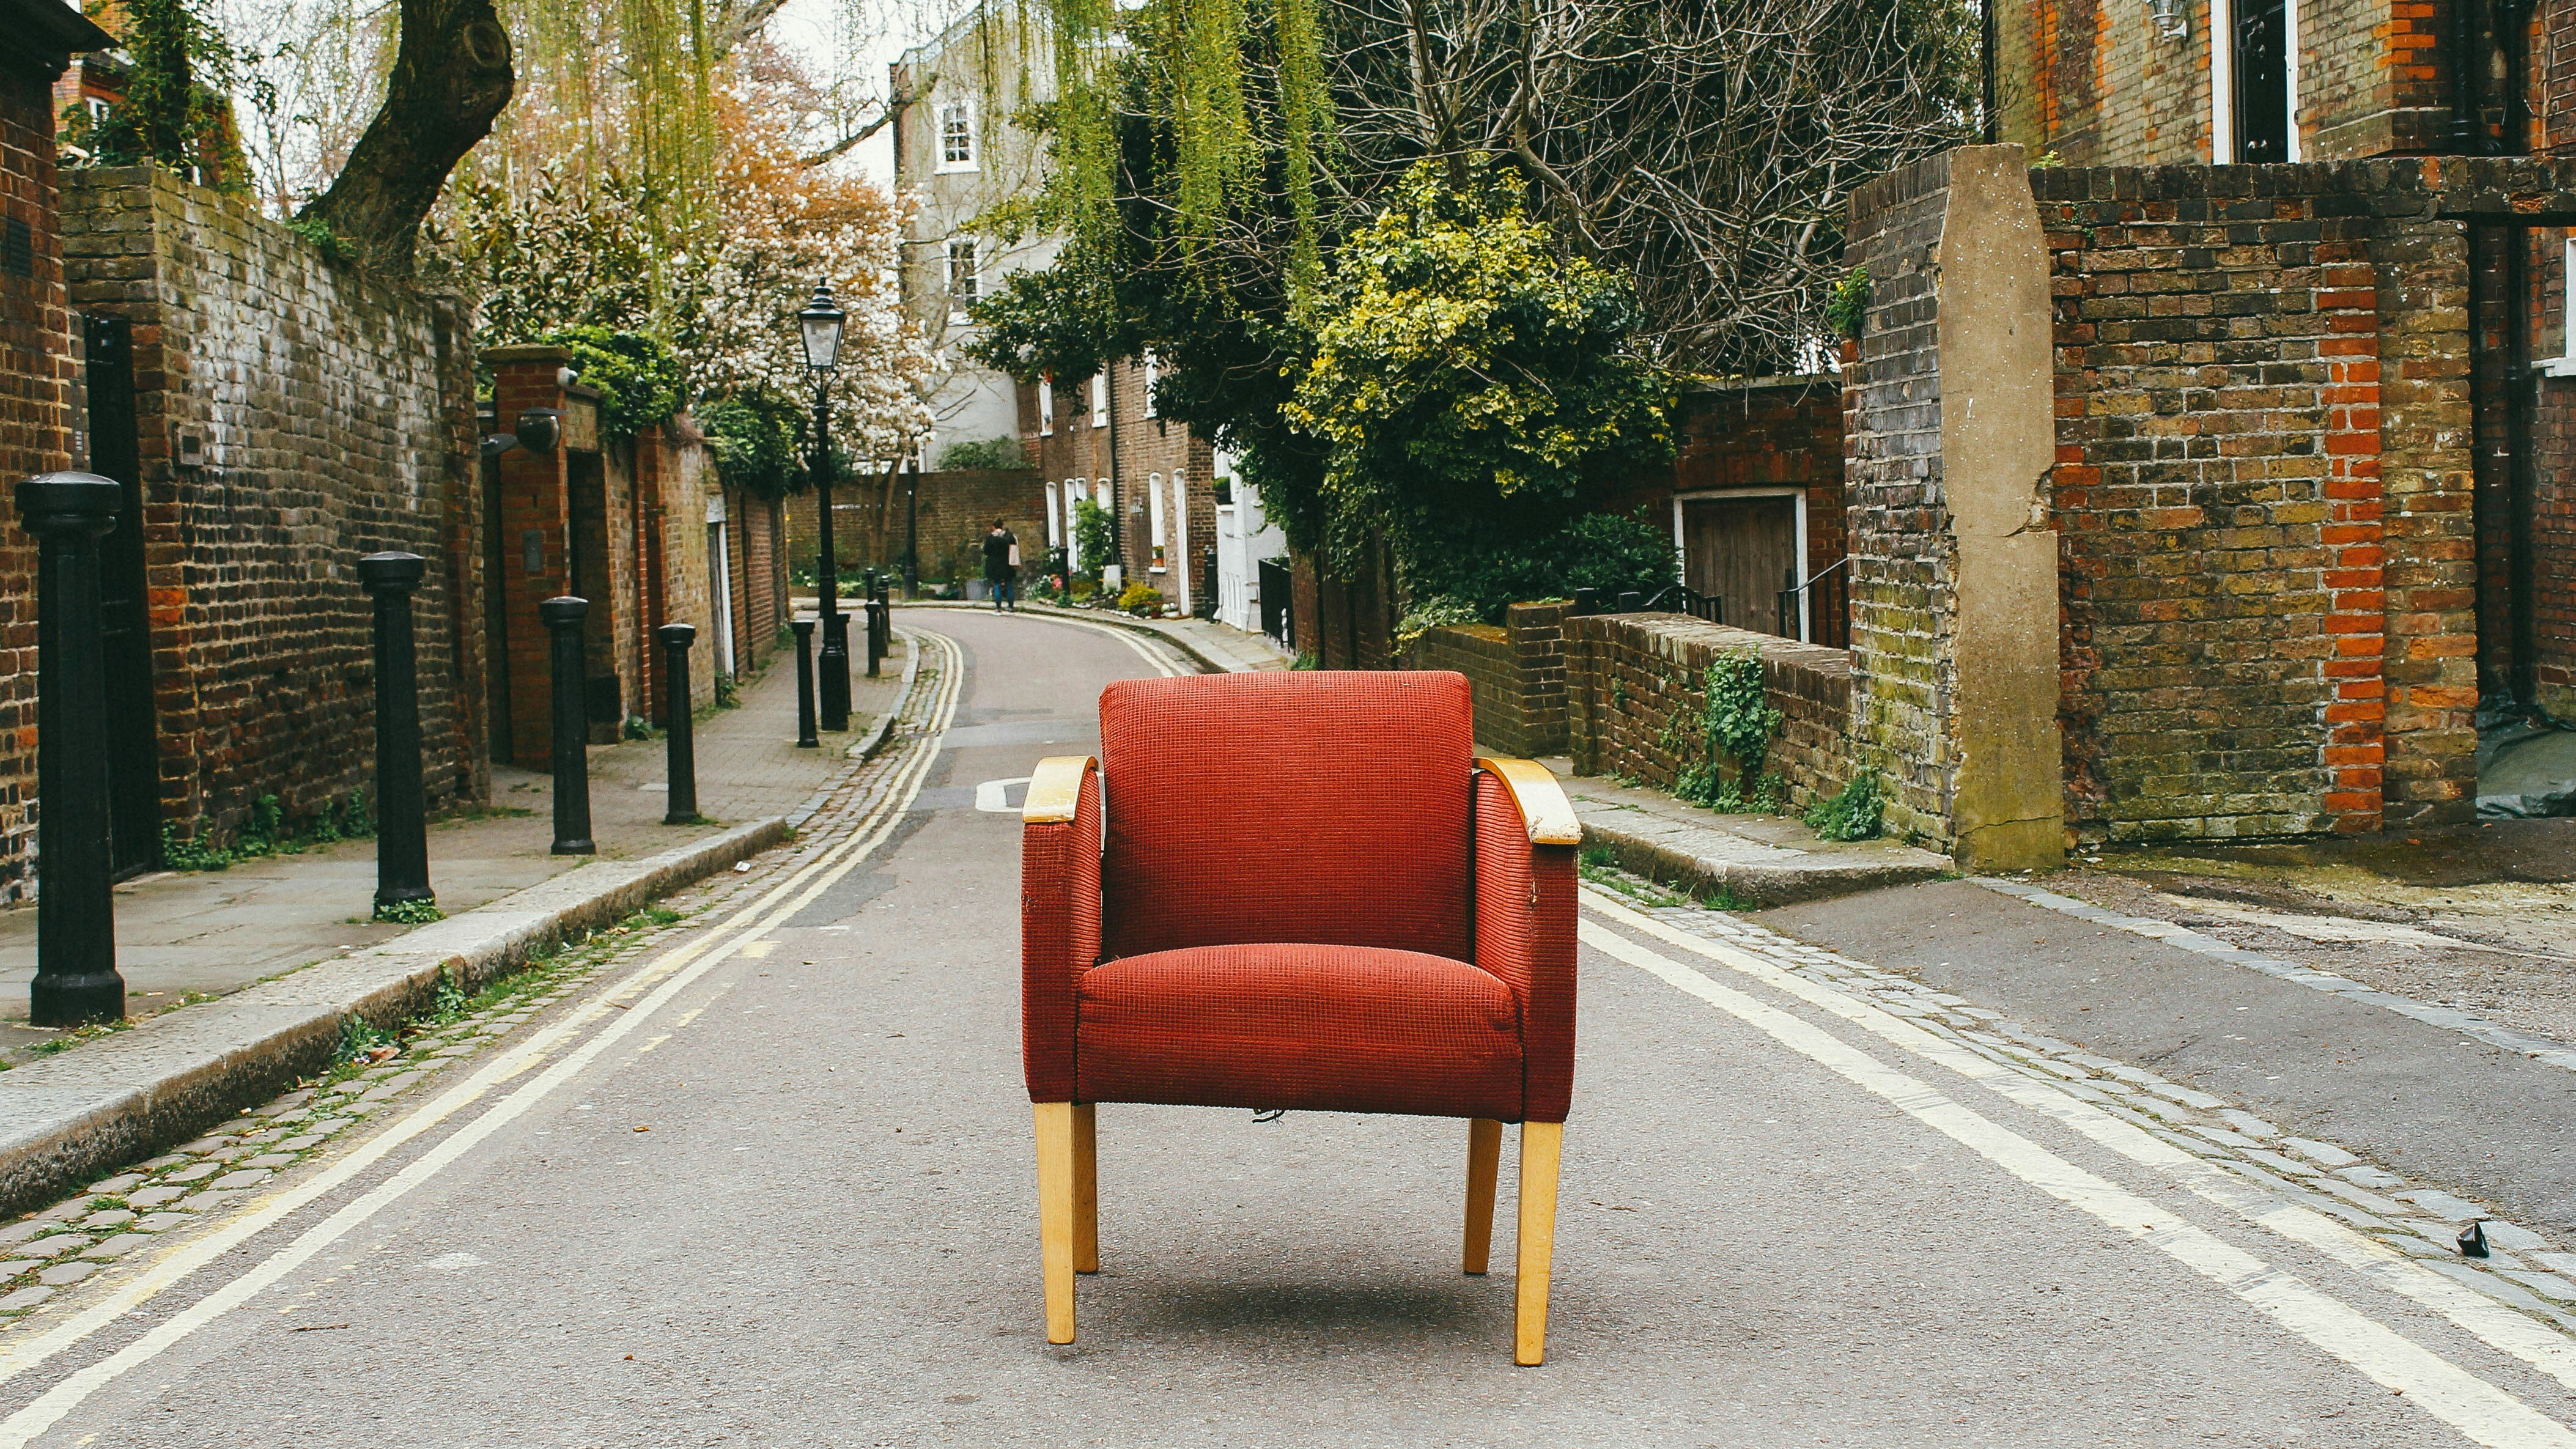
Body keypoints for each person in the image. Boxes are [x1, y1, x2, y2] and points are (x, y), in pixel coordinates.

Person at [981, 518, 1019, 612]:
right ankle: (1011, 607)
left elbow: (986, 551)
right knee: (1009, 585)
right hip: (1008, 564)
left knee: (997, 585)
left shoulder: (990, 538)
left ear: (993, 527)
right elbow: (1014, 547)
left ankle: (998, 608)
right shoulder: (1009, 537)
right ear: (1003, 526)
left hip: (995, 565)